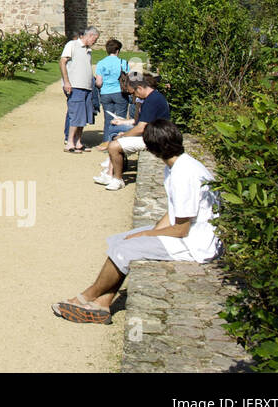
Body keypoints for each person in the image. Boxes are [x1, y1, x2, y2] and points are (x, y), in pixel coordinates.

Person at [54, 120, 220, 323]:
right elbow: (175, 211)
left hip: (196, 243)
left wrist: (147, 234)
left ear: (152, 149)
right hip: (190, 233)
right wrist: (150, 233)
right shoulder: (177, 165)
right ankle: (103, 304)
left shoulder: (183, 175)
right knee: (119, 240)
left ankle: (87, 296)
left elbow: (181, 229)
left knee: (126, 248)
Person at [95, 73, 169, 190]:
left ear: (139, 88)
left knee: (114, 146)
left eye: (133, 93)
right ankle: (111, 174)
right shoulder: (153, 97)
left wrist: (123, 136)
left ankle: (117, 179)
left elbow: (141, 128)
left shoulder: (151, 100)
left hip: (155, 138)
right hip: (153, 135)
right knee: (116, 138)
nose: (134, 96)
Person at [59, 26, 100, 153]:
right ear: (90, 35)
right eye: (95, 39)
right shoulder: (72, 45)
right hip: (75, 86)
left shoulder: (88, 50)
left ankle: (78, 142)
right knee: (76, 114)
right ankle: (69, 142)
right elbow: (62, 62)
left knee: (84, 116)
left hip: (87, 87)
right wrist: (66, 81)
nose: (95, 42)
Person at [94, 39, 129, 145]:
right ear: (118, 50)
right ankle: (118, 142)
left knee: (108, 118)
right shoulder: (123, 62)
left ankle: (106, 141)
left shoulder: (101, 63)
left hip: (105, 93)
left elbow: (99, 82)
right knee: (121, 119)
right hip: (120, 93)